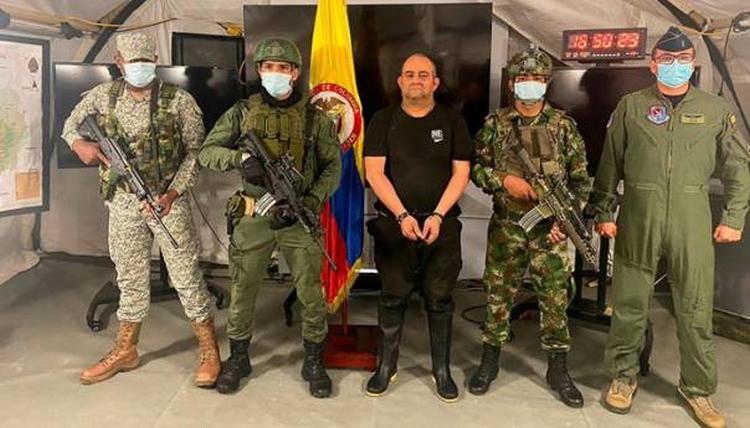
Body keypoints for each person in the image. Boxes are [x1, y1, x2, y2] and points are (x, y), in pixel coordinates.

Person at [592, 27, 750, 428]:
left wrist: (734, 218)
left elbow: (737, 166)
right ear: (653, 64)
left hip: (691, 217)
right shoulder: (631, 106)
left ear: (693, 64)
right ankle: (623, 376)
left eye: (682, 60)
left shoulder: (715, 109)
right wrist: (604, 210)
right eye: (666, 59)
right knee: (629, 302)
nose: (674, 66)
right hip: (638, 214)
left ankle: (698, 388)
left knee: (695, 308)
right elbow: (610, 162)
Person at [62, 32, 220, 387]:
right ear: (119, 62)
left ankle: (209, 350)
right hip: (123, 201)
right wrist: (78, 145)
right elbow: (70, 125)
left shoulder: (179, 101)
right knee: (130, 277)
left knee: (186, 276)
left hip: (167, 202)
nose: (140, 68)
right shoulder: (103, 96)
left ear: (156, 62)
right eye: (134, 63)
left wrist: (174, 193)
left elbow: (196, 153)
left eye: (146, 62)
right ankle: (126, 350)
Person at [198, 37, 341, 398]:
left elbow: (333, 168)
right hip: (254, 215)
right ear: (259, 70)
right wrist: (240, 160)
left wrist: (312, 200)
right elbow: (207, 152)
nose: (275, 73)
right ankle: (239, 357)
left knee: (310, 291)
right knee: (243, 288)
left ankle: (313, 359)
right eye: (268, 67)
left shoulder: (315, 118)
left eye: (283, 67)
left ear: (295, 72)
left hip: (299, 214)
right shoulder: (242, 112)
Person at [469, 47, 591, 408]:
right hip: (507, 227)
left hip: (549, 233)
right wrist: (503, 180)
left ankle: (558, 369)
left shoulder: (564, 127)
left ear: (546, 82)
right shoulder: (495, 125)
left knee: (554, 300)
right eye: (523, 78)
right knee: (497, 296)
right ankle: (489, 361)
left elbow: (580, 182)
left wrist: (565, 223)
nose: (529, 84)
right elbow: (476, 168)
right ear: (511, 83)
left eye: (536, 78)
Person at [363, 53, 472, 402]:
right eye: (409, 74)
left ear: (435, 82)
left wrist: (437, 216)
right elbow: (374, 173)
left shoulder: (452, 120)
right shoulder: (382, 120)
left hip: (442, 224)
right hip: (395, 224)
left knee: (440, 299)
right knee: (392, 296)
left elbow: (461, 173)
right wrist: (402, 216)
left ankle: (442, 370)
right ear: (400, 81)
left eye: (424, 75)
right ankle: (387, 366)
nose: (416, 80)